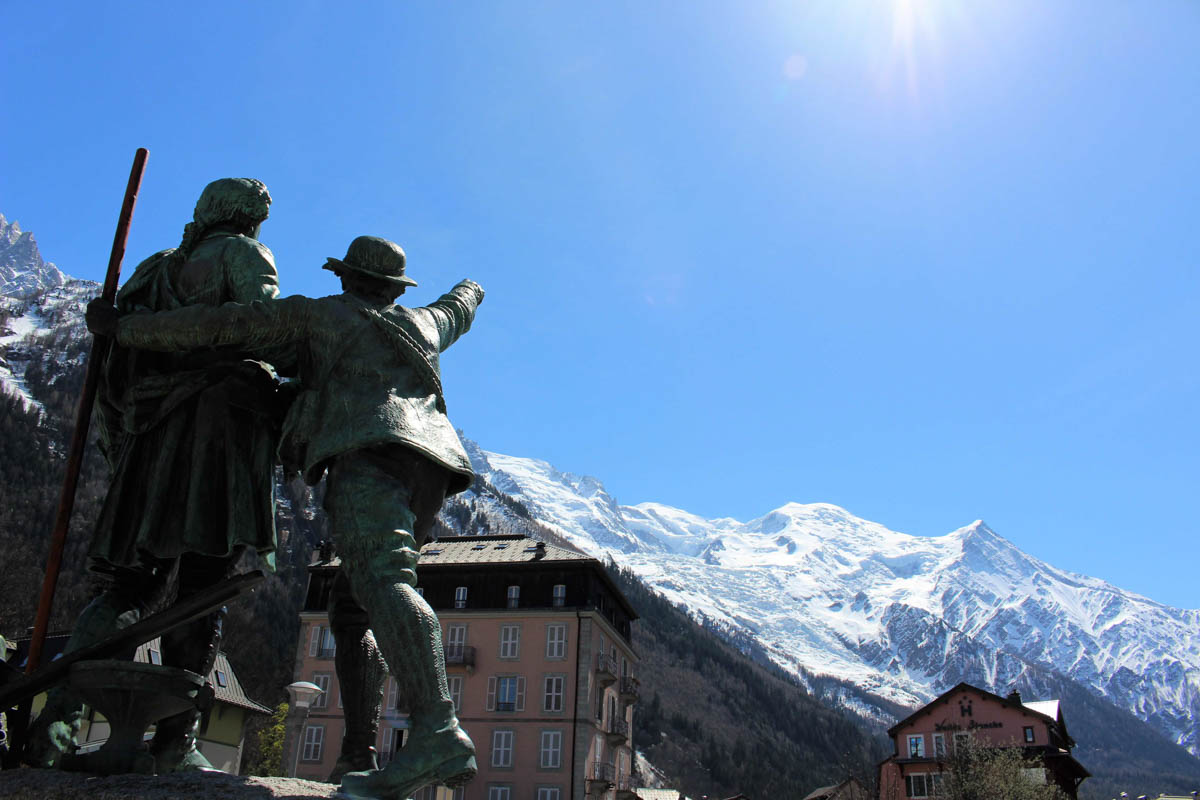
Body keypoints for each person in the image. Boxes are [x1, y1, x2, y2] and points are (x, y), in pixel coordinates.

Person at [88, 235, 484, 799]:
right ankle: (379, 747)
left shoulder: (316, 317)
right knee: (371, 595)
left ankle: (436, 733)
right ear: (395, 288)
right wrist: (474, 285)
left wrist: (124, 330)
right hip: (434, 468)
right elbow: (459, 308)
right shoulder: (423, 324)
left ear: (345, 278)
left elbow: (216, 326)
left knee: (386, 581)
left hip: (368, 451)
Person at [28, 178, 287, 773]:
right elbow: (261, 326)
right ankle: (176, 739)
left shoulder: (154, 271)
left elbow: (120, 357)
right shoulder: (246, 256)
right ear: (244, 219)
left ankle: (58, 722)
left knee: (126, 585)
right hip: (215, 431)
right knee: (202, 584)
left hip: (152, 433)